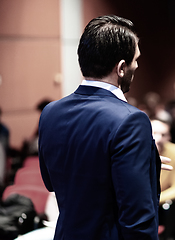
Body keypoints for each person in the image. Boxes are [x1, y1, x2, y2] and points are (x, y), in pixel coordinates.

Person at [38, 15, 162, 239]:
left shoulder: (50, 112)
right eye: (135, 59)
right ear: (122, 68)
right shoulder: (131, 120)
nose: (138, 65)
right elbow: (138, 218)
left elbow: (53, 181)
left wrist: (146, 161)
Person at [151, 118, 175, 240]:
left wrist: (154, 200)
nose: (159, 138)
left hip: (162, 200)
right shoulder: (135, 151)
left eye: (164, 134)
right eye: (154, 133)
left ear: (169, 136)